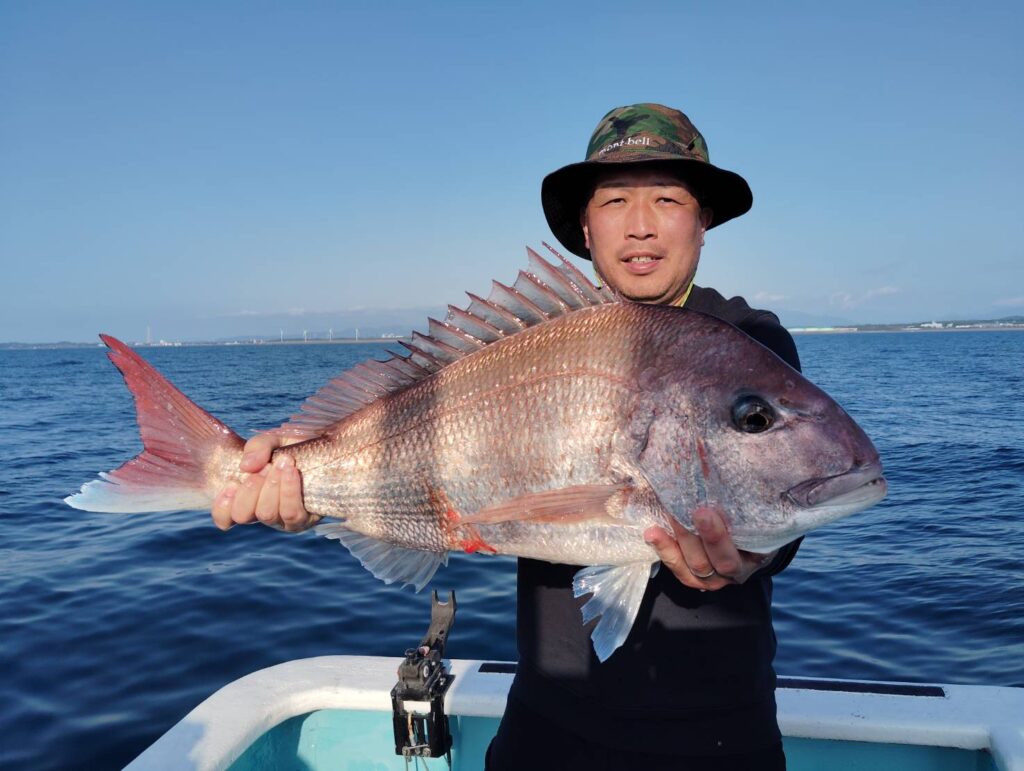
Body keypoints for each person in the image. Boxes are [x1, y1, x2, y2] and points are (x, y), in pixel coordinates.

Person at [209, 103, 801, 770]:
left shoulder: (747, 344)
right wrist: (305, 482)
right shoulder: (527, 342)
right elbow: (406, 451)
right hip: (547, 724)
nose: (641, 225)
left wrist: (758, 554)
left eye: (667, 198)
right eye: (614, 201)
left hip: (718, 733)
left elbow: (786, 496)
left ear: (703, 220)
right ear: (585, 224)